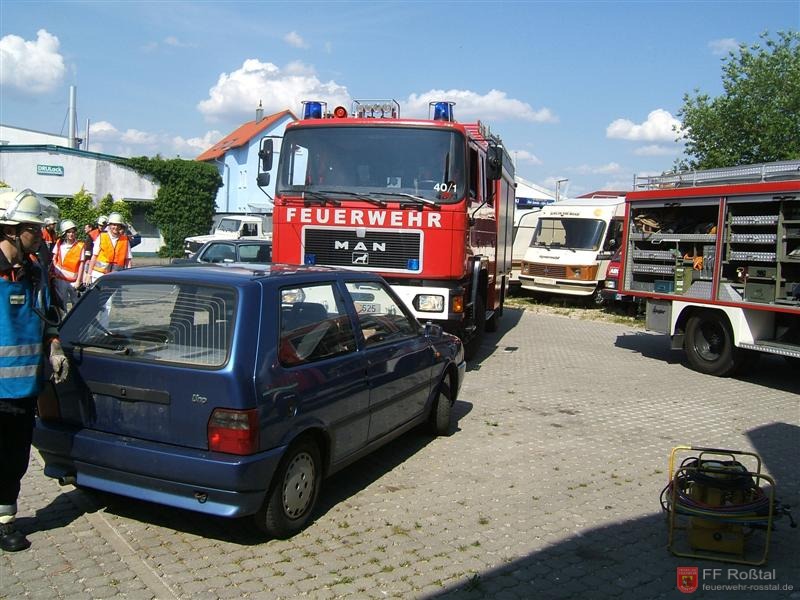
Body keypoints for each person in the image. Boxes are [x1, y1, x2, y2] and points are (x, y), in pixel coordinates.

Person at [0, 188, 68, 553]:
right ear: (14, 230)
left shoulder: (35, 273)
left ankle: (5, 520)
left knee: (13, 460)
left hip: (24, 389)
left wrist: (54, 344)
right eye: (34, 230)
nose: (41, 237)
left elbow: (47, 317)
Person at [85, 212, 131, 282]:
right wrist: (89, 274)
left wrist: (128, 276)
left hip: (117, 276)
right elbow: (94, 257)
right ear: (109, 225)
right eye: (114, 225)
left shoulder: (125, 240)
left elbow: (128, 260)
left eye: (118, 225)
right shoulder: (102, 237)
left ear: (121, 226)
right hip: (99, 275)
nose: (116, 227)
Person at [51, 219, 85, 308]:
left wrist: (78, 280)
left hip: (74, 281)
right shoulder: (59, 244)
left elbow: (81, 264)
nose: (71, 234)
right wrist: (54, 273)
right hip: (60, 279)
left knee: (77, 304)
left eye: (73, 232)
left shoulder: (80, 246)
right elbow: (54, 258)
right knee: (62, 303)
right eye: (69, 232)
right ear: (65, 233)